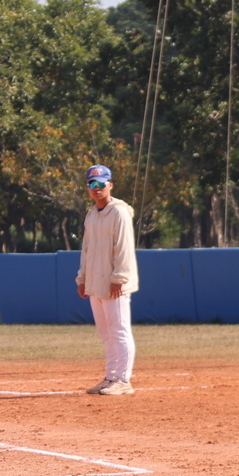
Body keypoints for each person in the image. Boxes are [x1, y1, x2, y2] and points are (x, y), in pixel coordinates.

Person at [76, 165, 139, 396]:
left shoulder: (119, 212)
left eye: (101, 183)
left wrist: (119, 279)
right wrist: (82, 278)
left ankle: (123, 379)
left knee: (119, 330)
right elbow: (87, 248)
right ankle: (110, 377)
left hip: (115, 284)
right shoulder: (92, 213)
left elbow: (122, 248)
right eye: (92, 184)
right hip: (95, 283)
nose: (97, 188)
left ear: (110, 185)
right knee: (106, 333)